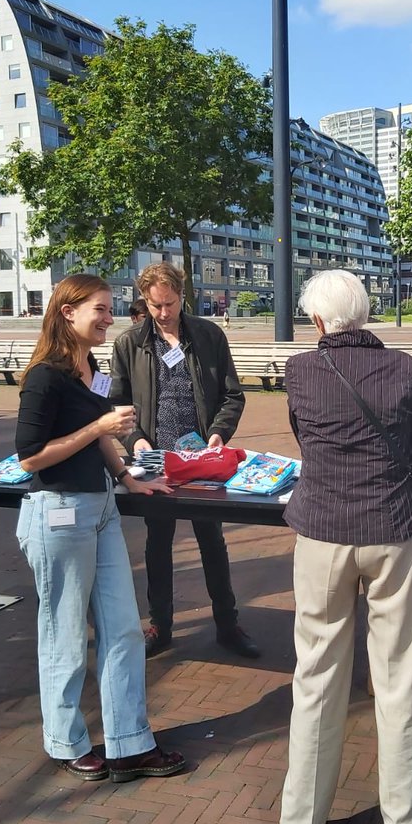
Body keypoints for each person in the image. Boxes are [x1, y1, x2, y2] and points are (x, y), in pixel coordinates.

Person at [279, 271, 412, 824]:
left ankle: (302, 818)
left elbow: (305, 436)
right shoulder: (401, 367)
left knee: (317, 676)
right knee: (400, 677)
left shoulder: (300, 369)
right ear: (367, 313)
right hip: (394, 531)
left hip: (322, 529)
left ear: (319, 321)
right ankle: (410, 818)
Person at [15, 273, 185, 783]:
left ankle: (131, 743)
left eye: (112, 310)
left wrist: (129, 478)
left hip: (102, 509)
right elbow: (30, 458)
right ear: (68, 312)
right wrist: (99, 427)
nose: (111, 319)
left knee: (124, 631)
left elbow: (98, 441)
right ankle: (65, 741)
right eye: (102, 310)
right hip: (60, 512)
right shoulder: (46, 376)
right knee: (64, 636)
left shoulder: (91, 367)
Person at [109, 262, 257, 659]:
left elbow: (232, 394)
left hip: (201, 459)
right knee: (158, 544)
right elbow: (117, 405)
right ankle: (161, 625)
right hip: (155, 460)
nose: (163, 313)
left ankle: (227, 623)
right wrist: (135, 440)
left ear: (181, 295)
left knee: (212, 540)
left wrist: (217, 434)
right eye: (155, 305)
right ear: (144, 300)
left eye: (169, 303)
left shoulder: (208, 335)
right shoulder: (129, 344)